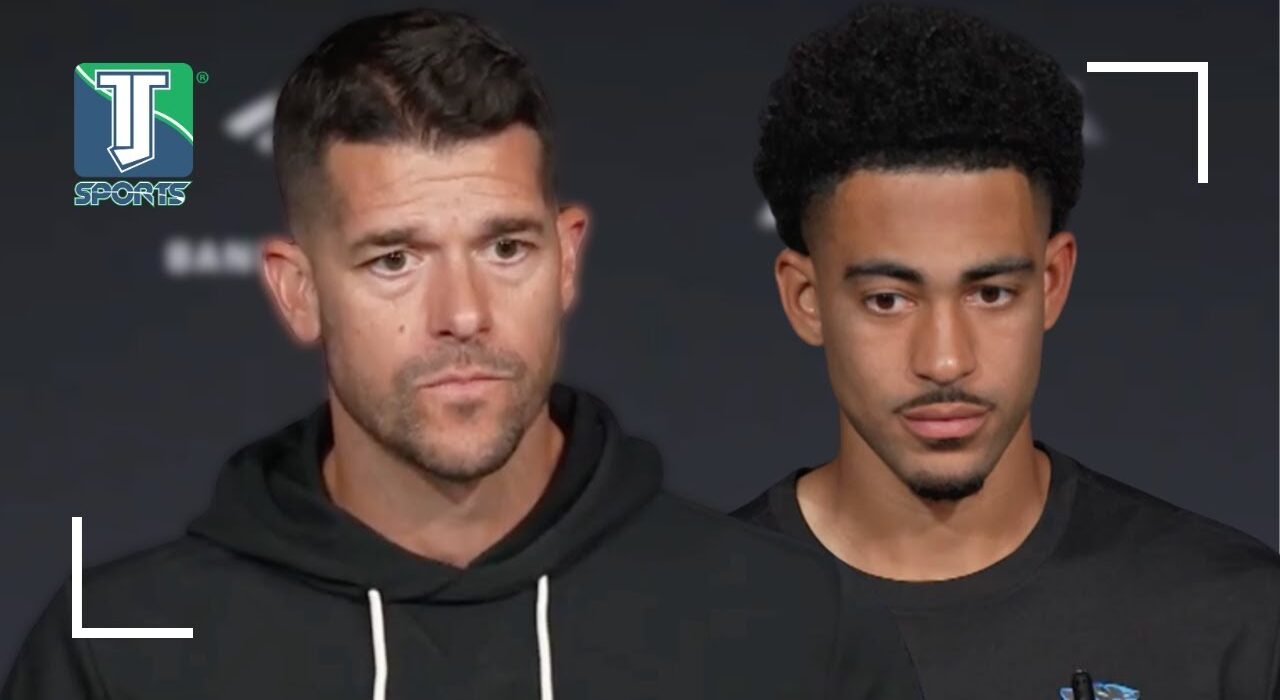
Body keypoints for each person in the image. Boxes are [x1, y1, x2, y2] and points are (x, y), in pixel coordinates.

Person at [3, 9, 921, 700]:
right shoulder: (121, 654)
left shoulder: (798, 632)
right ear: (298, 291)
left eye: (505, 247)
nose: (463, 314)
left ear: (566, 259)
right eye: (394, 260)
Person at [734, 4, 1280, 699]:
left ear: (1052, 282)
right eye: (888, 300)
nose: (945, 361)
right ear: (805, 298)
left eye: (990, 293)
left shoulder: (1236, 619)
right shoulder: (674, 631)